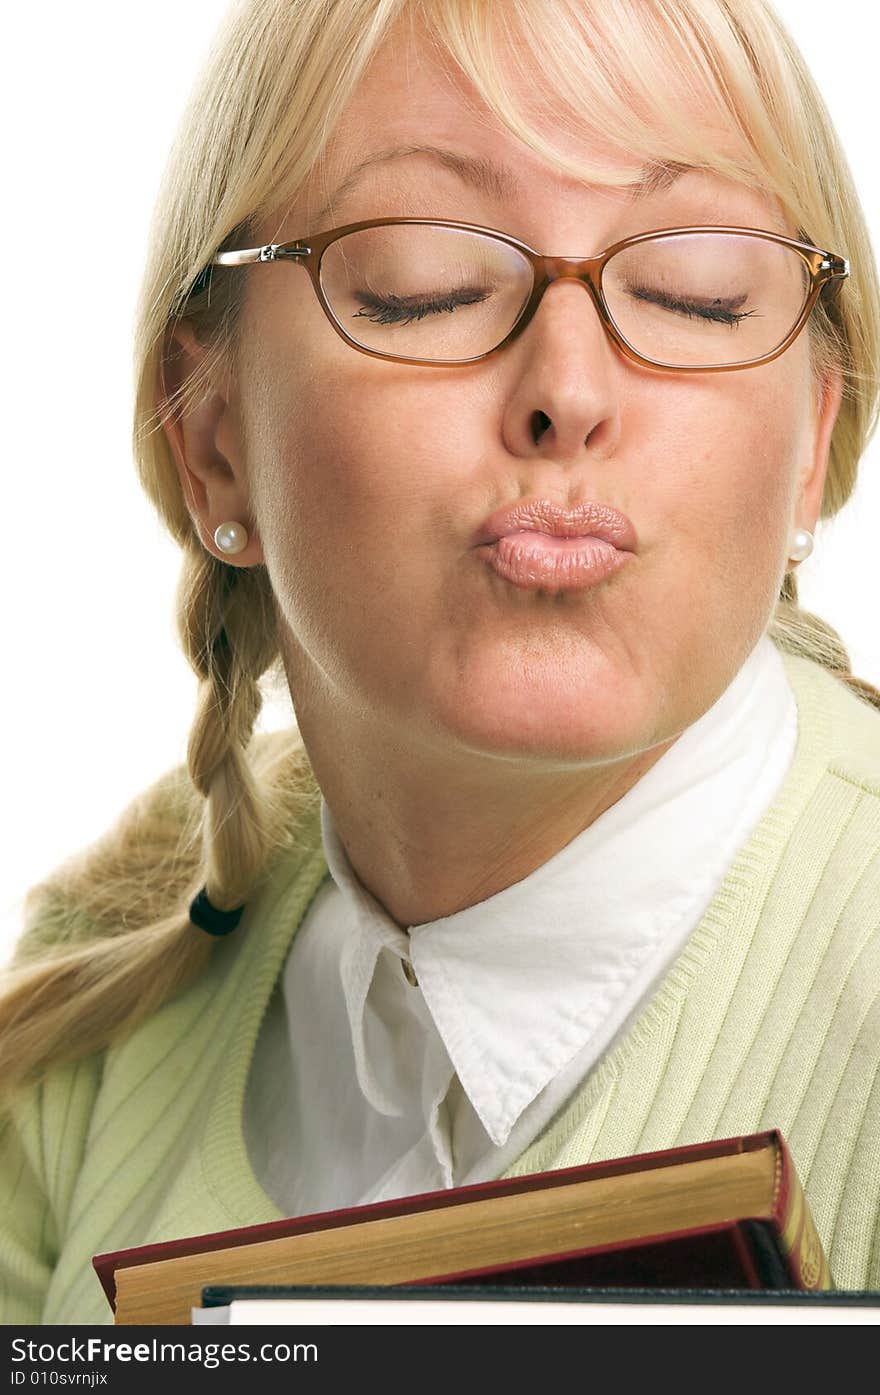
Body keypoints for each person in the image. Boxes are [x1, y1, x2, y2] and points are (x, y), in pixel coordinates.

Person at [2, 0, 879, 1326]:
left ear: (813, 430)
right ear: (214, 435)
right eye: (428, 285)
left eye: (696, 289)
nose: (570, 390)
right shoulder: (109, 958)